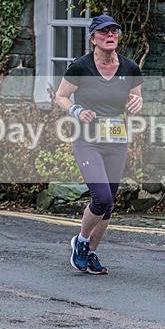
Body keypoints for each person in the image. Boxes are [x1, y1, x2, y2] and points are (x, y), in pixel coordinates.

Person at [55, 14, 143, 275]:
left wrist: (137, 104)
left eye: (114, 31)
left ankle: (91, 253)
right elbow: (61, 96)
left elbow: (136, 99)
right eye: (104, 32)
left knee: (110, 202)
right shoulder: (80, 67)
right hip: (88, 140)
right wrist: (77, 110)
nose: (110, 36)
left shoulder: (130, 68)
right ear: (93, 38)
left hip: (116, 140)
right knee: (101, 196)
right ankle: (81, 242)